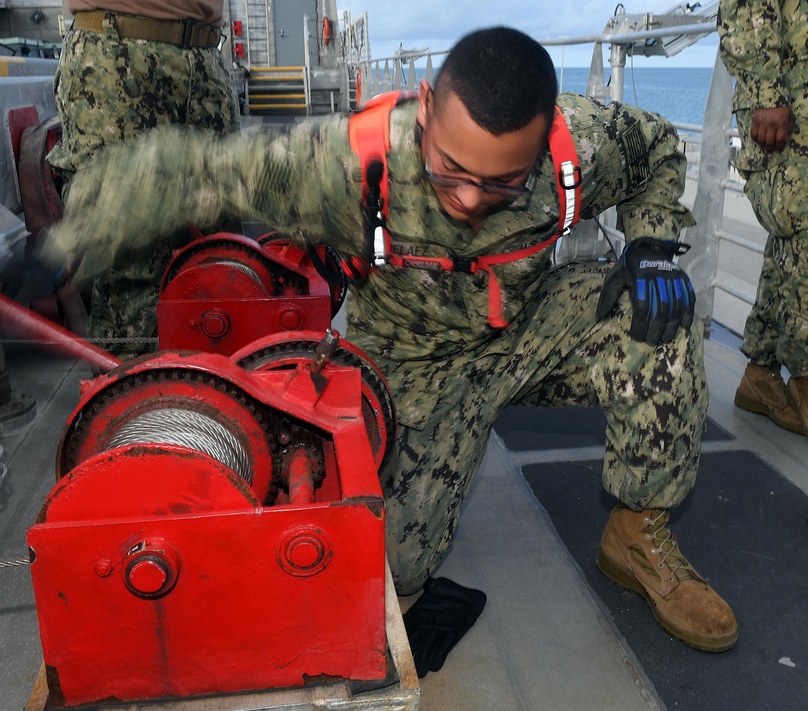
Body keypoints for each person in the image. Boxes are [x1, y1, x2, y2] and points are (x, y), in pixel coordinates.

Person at [43, 27, 738, 653]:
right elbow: (187, 168)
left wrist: (649, 244)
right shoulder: (343, 167)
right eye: (451, 172)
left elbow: (655, 148)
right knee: (395, 569)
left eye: (501, 183)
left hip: (528, 330)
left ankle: (635, 532)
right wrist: (56, 247)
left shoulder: (579, 146)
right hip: (416, 367)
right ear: (427, 106)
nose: (467, 200)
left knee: (659, 317)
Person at [47, 0, 241, 355]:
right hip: (118, 56)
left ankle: (222, 406)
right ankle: (139, 408)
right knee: (130, 275)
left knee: (227, 266)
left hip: (207, 60)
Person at [718, 1, 808, 435]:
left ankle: (761, 375)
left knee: (792, 238)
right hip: (787, 109)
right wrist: (766, 94)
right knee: (803, 234)